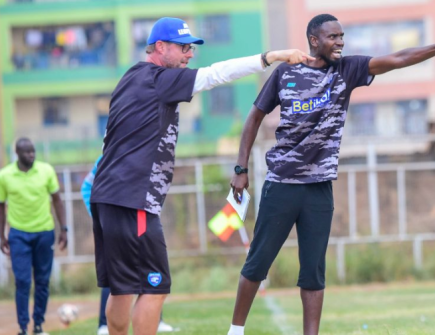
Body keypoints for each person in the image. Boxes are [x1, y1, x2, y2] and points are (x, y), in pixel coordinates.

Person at [227, 13, 435, 335]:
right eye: (333, 37)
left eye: (342, 36)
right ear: (314, 40)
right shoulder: (285, 73)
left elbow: (397, 58)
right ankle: (235, 330)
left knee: (313, 272)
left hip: (319, 189)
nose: (340, 42)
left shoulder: (347, 70)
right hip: (282, 184)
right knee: (257, 264)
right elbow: (254, 117)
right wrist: (240, 169)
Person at [89, 16, 313, 335]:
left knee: (122, 289)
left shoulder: (130, 78)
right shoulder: (160, 78)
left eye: (191, 48)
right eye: (183, 47)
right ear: (160, 47)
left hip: (107, 197)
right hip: (132, 199)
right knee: (155, 287)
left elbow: (109, 137)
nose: (189, 54)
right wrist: (270, 57)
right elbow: (215, 75)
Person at [80, 156, 175, 335]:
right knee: (123, 283)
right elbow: (87, 187)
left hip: (138, 218)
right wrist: (100, 217)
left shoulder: (140, 150)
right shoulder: (108, 158)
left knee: (148, 282)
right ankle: (102, 324)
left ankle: (157, 320)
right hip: (120, 221)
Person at [0, 138, 68, 335]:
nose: (31, 154)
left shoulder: (46, 170)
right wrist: (2, 236)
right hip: (18, 234)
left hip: (44, 232)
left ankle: (38, 325)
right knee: (22, 281)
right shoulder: (5, 176)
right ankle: (23, 327)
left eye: (33, 151)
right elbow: (1, 208)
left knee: (42, 281)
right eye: (27, 152)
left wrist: (64, 229)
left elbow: (58, 201)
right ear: (17, 154)